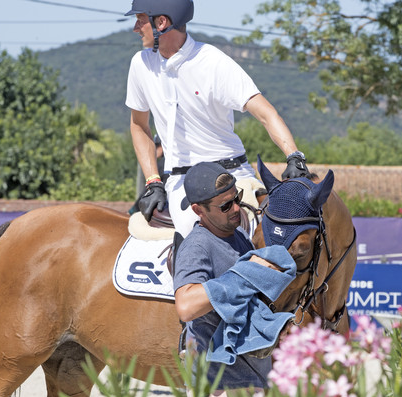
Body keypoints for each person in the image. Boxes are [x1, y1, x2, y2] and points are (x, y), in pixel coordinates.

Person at [125, 0, 310, 236]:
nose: (136, 27)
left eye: (141, 19)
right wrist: (153, 181)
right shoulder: (140, 64)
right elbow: (139, 126)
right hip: (181, 181)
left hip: (231, 175)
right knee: (184, 235)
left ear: (161, 22)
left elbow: (266, 113)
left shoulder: (213, 62)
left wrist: (294, 156)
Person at [173, 161, 295, 397]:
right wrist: (246, 274)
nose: (236, 208)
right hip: (222, 389)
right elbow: (186, 305)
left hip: (249, 382)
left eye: (237, 198)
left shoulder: (237, 235)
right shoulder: (197, 245)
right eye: (226, 204)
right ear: (199, 210)